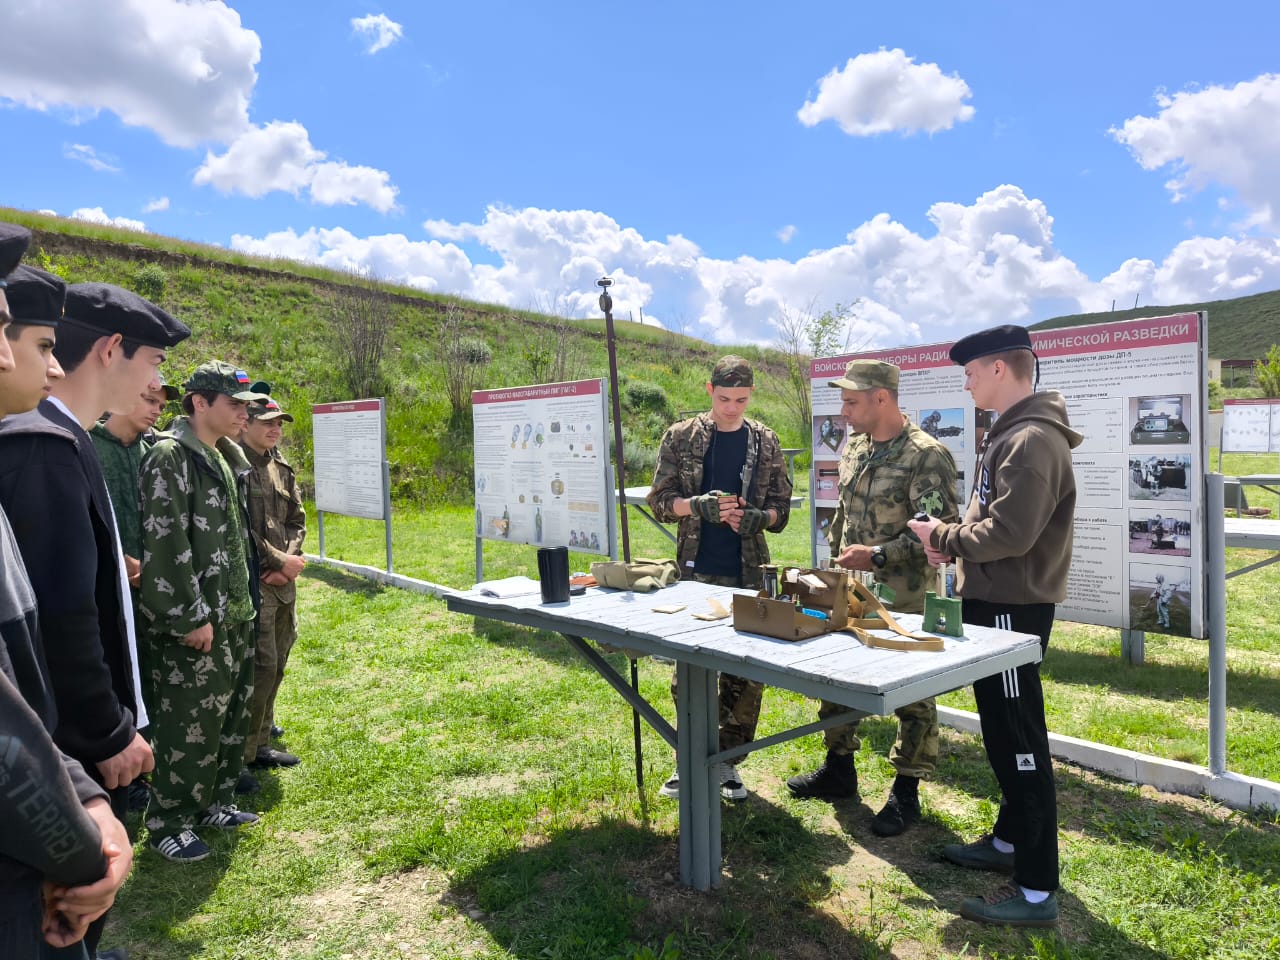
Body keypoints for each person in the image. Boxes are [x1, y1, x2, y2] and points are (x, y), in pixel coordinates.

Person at [0, 276, 190, 957]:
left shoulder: (65, 438)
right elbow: (59, 616)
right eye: (154, 362)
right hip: (58, 747)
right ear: (112, 350)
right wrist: (109, 732)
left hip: (61, 748)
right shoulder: (43, 445)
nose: (156, 380)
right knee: (68, 900)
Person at [909, 323, 1081, 929]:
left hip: (1012, 607)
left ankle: (1036, 891)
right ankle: (1010, 844)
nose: (967, 380)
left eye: (972, 371)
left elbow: (1011, 534)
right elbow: (995, 522)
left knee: (1019, 742)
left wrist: (944, 536)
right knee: (1002, 732)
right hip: (996, 601)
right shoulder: (1013, 433)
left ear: (1001, 369)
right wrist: (951, 546)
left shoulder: (1031, 438)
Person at [0, 221, 132, 960]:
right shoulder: (38, 445)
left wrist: (79, 795)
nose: (28, 362)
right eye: (34, 343)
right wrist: (85, 840)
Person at [786, 360, 958, 838]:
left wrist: (878, 555)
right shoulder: (857, 447)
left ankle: (907, 791)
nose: (843, 412)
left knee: (912, 692)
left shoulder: (927, 455)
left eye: (851, 402)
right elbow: (843, 512)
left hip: (905, 595)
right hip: (851, 587)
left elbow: (938, 534)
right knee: (837, 674)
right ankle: (839, 768)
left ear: (882, 398)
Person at [138, 362, 268, 862]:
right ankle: (169, 821)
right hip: (196, 619)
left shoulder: (225, 457)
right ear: (198, 402)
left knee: (227, 718)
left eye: (247, 407)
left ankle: (214, 801)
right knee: (187, 723)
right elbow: (166, 543)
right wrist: (189, 616)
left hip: (232, 612)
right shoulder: (170, 457)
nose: (244, 414)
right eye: (234, 405)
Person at [647, 355, 792, 800]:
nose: (732, 408)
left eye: (742, 400)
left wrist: (757, 517)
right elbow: (660, 501)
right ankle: (688, 761)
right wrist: (697, 506)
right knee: (689, 673)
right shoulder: (682, 437)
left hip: (747, 571)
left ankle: (727, 763)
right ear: (709, 391)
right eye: (725, 398)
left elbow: (781, 512)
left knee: (746, 676)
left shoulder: (765, 442)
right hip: (696, 570)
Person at [239, 394, 306, 771]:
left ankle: (261, 742)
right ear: (245, 423)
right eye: (267, 422)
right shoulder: (234, 466)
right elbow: (241, 526)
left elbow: (296, 519)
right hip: (255, 582)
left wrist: (290, 562)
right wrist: (278, 561)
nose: (275, 429)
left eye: (279, 423)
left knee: (278, 661)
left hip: (282, 584)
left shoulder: (281, 466)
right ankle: (243, 754)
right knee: (259, 667)